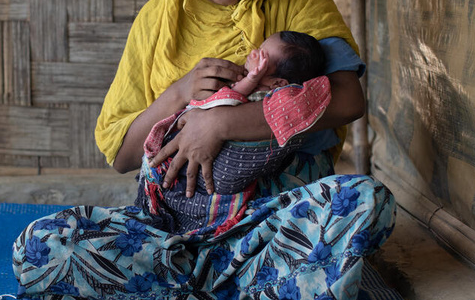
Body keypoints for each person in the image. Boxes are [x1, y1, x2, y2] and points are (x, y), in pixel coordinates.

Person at [12, 0, 395, 300]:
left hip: (271, 226)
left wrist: (222, 123)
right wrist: (178, 94)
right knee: (41, 248)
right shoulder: (158, 21)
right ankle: (241, 287)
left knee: (367, 203)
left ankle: (184, 289)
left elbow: (348, 100)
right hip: (170, 230)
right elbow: (121, 156)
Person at [137, 31, 332, 236]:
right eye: (258, 48)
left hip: (227, 173)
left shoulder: (278, 100)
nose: (252, 53)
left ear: (278, 84)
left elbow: (235, 97)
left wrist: (252, 78)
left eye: (262, 55)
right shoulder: (254, 86)